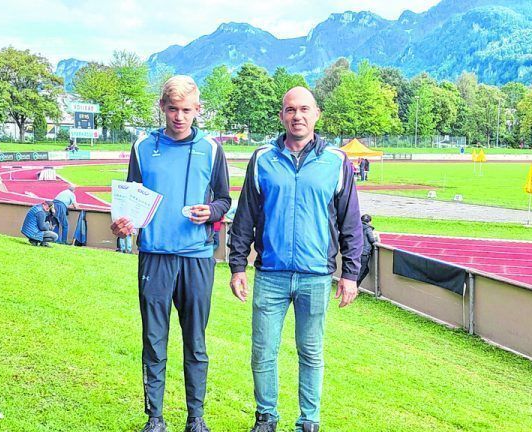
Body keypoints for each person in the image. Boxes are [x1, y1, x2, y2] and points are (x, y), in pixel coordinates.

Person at [229, 87, 362, 432]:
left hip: (315, 275)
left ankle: (309, 420)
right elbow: (245, 217)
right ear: (281, 116)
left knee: (311, 352)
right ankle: (266, 417)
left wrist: (350, 274)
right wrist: (237, 266)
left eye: (304, 109)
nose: (297, 116)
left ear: (317, 114)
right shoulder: (263, 159)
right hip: (270, 274)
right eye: (290, 110)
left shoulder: (336, 162)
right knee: (263, 352)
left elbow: (350, 222)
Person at [110, 75, 231, 432]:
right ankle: (155, 418)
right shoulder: (142, 147)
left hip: (197, 257)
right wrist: (121, 225)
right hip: (155, 255)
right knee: (153, 339)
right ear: (162, 107)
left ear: (198, 110)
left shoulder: (212, 149)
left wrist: (212, 211)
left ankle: (196, 418)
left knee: (195, 340)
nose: (180, 117)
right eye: (173, 109)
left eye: (187, 110)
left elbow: (224, 200)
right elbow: (129, 202)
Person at [357, 214, 378, 287]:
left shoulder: (357, 227)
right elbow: (372, 240)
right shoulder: (368, 228)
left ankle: (355, 287)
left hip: (357, 251)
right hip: (364, 253)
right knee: (362, 271)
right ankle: (353, 287)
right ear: (369, 221)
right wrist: (377, 238)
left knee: (364, 270)